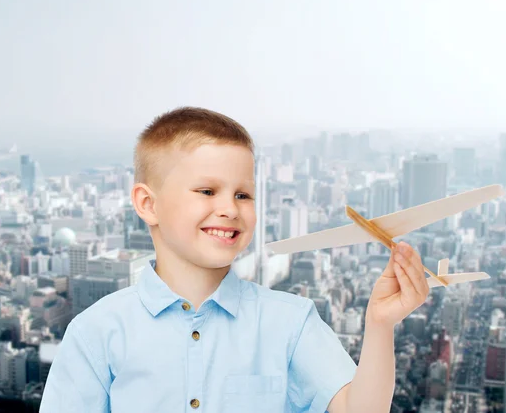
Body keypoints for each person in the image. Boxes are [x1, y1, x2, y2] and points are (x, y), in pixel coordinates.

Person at [40, 106, 430, 412]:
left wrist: (380, 325)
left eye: (243, 195)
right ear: (147, 203)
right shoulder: (95, 332)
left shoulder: (290, 323)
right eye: (207, 191)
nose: (229, 208)